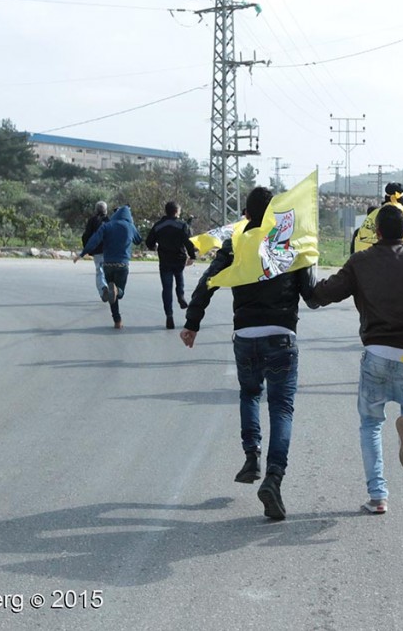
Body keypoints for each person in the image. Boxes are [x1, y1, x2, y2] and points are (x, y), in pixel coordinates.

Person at [180, 186, 315, 521]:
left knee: (250, 394)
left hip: (245, 335)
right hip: (282, 334)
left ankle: (251, 454)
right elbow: (312, 296)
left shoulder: (237, 242)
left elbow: (209, 281)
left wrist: (192, 323)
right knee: (282, 408)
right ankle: (273, 478)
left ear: (247, 214)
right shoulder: (291, 244)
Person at [306, 204, 403, 514]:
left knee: (370, 425)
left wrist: (307, 265)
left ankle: (378, 496)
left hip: (376, 354)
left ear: (375, 232)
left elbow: (320, 296)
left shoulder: (360, 262)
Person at [75, 205, 142, 329]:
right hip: (122, 265)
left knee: (112, 293)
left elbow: (94, 240)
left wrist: (82, 253)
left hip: (108, 264)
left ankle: (117, 320)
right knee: (119, 293)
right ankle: (116, 291)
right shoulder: (130, 226)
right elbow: (139, 240)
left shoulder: (107, 226)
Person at [145, 201, 197, 329]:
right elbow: (188, 243)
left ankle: (169, 315)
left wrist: (153, 246)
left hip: (165, 260)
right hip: (179, 257)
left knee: (166, 288)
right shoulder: (182, 225)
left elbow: (149, 242)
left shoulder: (158, 226)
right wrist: (192, 256)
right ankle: (181, 295)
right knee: (179, 276)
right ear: (177, 212)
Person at [80, 201, 110, 302]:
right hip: (109, 250)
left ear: (96, 210)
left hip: (97, 250)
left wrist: (87, 248)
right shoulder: (110, 220)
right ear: (106, 210)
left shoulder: (92, 220)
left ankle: (103, 288)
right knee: (109, 270)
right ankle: (110, 288)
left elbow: (86, 236)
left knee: (99, 270)